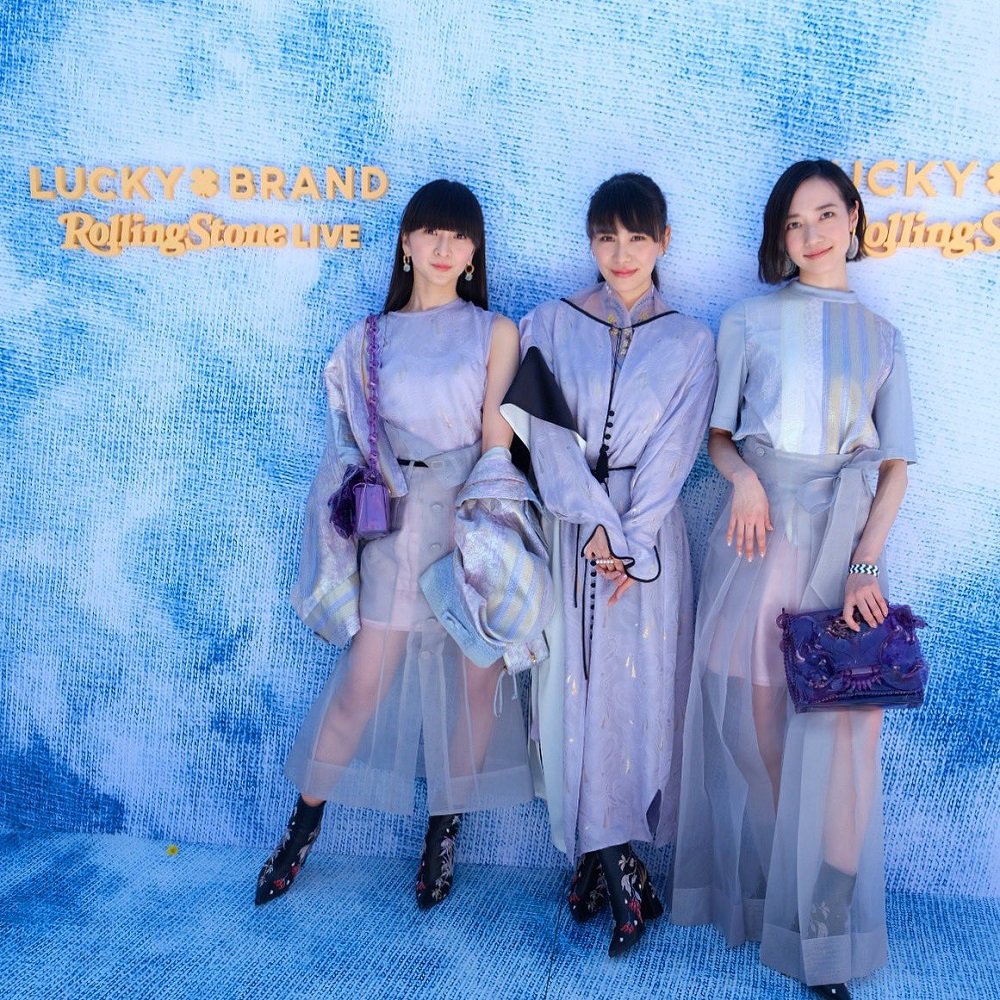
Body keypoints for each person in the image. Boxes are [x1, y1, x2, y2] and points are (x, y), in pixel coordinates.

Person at [256, 179, 548, 911]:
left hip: (471, 524)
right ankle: (302, 828)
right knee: (363, 684)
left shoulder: (496, 332)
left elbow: (497, 444)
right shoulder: (367, 339)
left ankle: (443, 833)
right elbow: (347, 447)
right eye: (430, 232)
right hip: (396, 526)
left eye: (459, 235)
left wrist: (483, 534)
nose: (445, 247)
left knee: (475, 688)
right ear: (407, 244)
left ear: (475, 252)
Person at [672, 160, 916, 999]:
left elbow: (894, 467)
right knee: (758, 723)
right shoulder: (747, 319)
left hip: (846, 548)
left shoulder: (883, 337)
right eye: (793, 222)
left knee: (850, 736)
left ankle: (828, 912)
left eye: (825, 215)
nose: (811, 234)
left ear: (853, 217)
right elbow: (718, 437)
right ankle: (787, 884)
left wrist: (865, 563)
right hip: (762, 538)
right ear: (781, 236)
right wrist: (743, 480)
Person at [503, 173, 717, 957]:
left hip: (648, 543)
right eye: (606, 237)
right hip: (574, 533)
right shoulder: (549, 323)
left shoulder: (692, 342)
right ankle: (615, 867)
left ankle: (611, 860)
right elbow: (545, 438)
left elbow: (674, 455)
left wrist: (630, 542)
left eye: (637, 237)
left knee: (635, 699)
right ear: (591, 242)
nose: (621, 253)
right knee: (571, 695)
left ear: (664, 241)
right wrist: (594, 523)